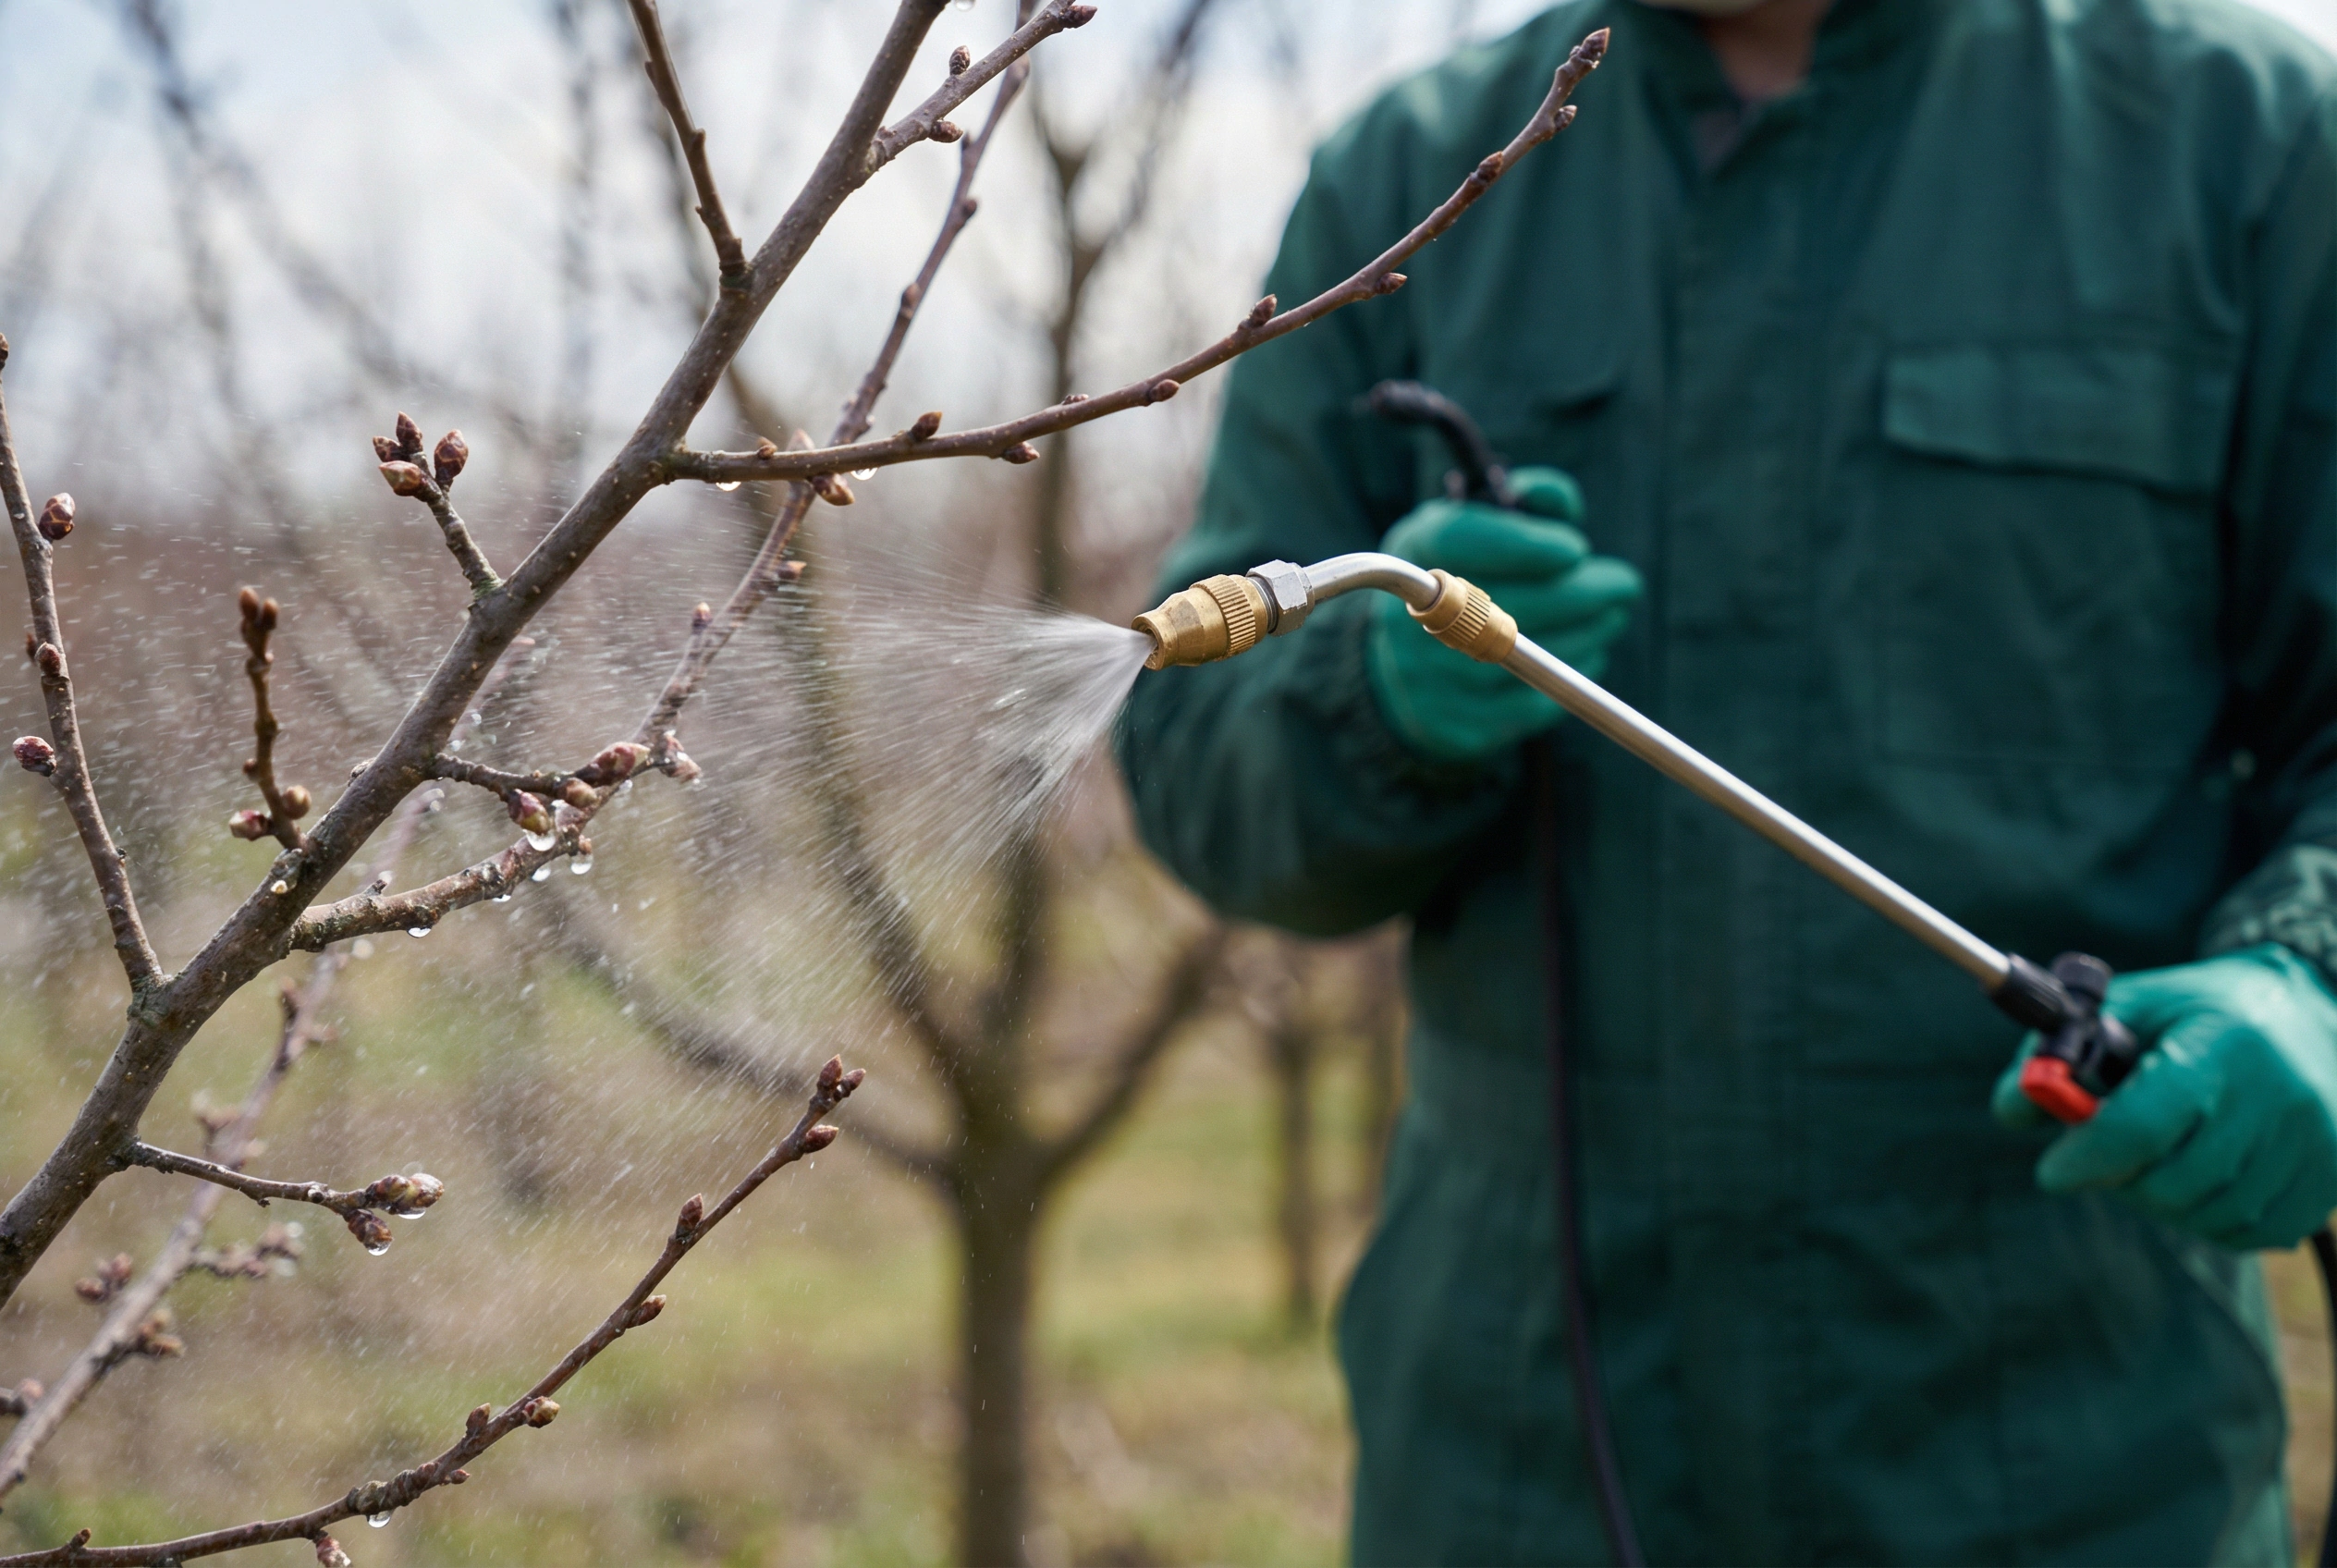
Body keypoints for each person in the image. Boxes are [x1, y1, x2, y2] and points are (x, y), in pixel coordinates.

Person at [1114, 0, 2337, 1560]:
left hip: (2076, 1462)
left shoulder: (2248, 146)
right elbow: (1192, 769)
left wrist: (2310, 973)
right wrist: (1372, 705)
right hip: (1515, 1462)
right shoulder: (1421, 184)